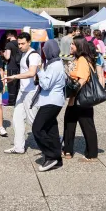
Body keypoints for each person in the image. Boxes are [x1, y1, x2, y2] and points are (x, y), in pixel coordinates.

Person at [2, 32, 41, 155]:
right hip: (23, 91)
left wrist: (14, 76)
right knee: (17, 118)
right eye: (19, 44)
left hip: (31, 91)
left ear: (29, 42)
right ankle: (18, 147)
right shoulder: (24, 54)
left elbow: (31, 72)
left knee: (33, 121)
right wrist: (14, 78)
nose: (20, 46)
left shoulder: (34, 55)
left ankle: (53, 141)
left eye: (23, 43)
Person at [31, 40, 66, 172]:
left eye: (45, 50)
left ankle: (52, 155)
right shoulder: (54, 63)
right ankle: (56, 158)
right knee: (51, 129)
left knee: (37, 129)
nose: (44, 52)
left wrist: (40, 71)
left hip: (51, 101)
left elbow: (46, 85)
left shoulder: (55, 65)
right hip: (51, 100)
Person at [63, 37, 98, 160]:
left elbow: (82, 79)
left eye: (73, 44)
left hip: (81, 98)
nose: (71, 46)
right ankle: (67, 150)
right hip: (78, 98)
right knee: (69, 122)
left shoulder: (83, 59)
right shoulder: (80, 59)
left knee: (86, 126)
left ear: (79, 46)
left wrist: (72, 91)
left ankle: (92, 154)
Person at [3, 31, 22, 106]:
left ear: (11, 34)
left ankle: (11, 102)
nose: (6, 35)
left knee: (11, 85)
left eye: (8, 34)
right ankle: (18, 100)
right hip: (19, 66)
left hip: (11, 66)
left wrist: (3, 53)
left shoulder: (9, 44)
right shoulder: (20, 43)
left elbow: (7, 57)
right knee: (18, 84)